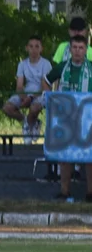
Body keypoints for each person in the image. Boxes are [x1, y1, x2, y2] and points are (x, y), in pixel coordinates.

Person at [43, 34, 92, 201]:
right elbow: (45, 81)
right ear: (70, 49)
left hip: (87, 118)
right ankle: (64, 191)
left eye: (81, 48)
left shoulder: (91, 68)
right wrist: (49, 98)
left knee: (89, 156)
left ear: (86, 50)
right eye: (75, 48)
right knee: (65, 155)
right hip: (66, 117)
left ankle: (90, 193)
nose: (78, 51)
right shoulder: (62, 67)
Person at [2, 35, 52, 144]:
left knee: (34, 108)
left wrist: (31, 97)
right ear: (27, 48)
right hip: (26, 93)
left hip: (41, 94)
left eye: (37, 46)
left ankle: (29, 130)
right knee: (7, 108)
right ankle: (27, 122)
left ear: (41, 48)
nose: (34, 50)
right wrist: (24, 97)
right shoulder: (22, 64)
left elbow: (45, 86)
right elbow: (19, 86)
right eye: (31, 46)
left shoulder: (46, 64)